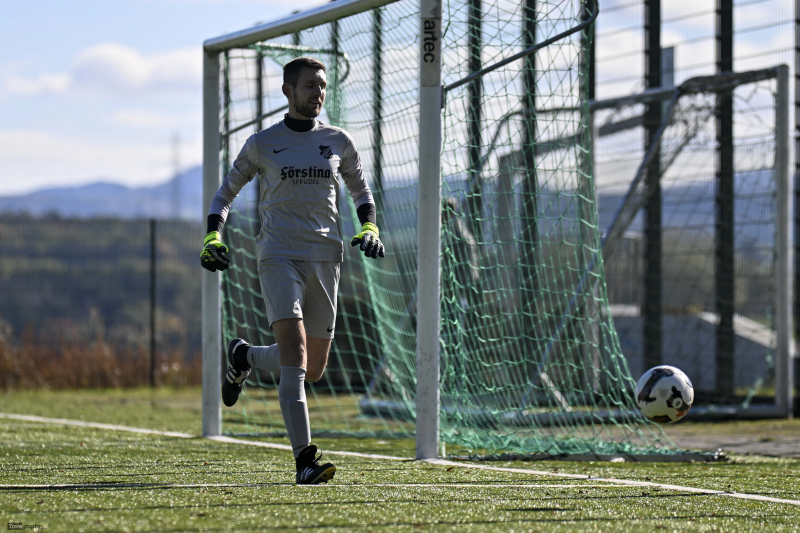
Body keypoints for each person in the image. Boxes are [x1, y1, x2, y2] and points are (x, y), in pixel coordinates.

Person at [200, 56, 384, 485]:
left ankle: (242, 356)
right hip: (278, 254)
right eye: (308, 85)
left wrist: (370, 226)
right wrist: (213, 236)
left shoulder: (339, 140)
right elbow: (224, 194)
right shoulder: (263, 143)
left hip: (326, 257)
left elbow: (360, 189)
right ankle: (304, 460)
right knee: (296, 353)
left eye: (322, 86)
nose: (317, 92)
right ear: (287, 90)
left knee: (311, 368)